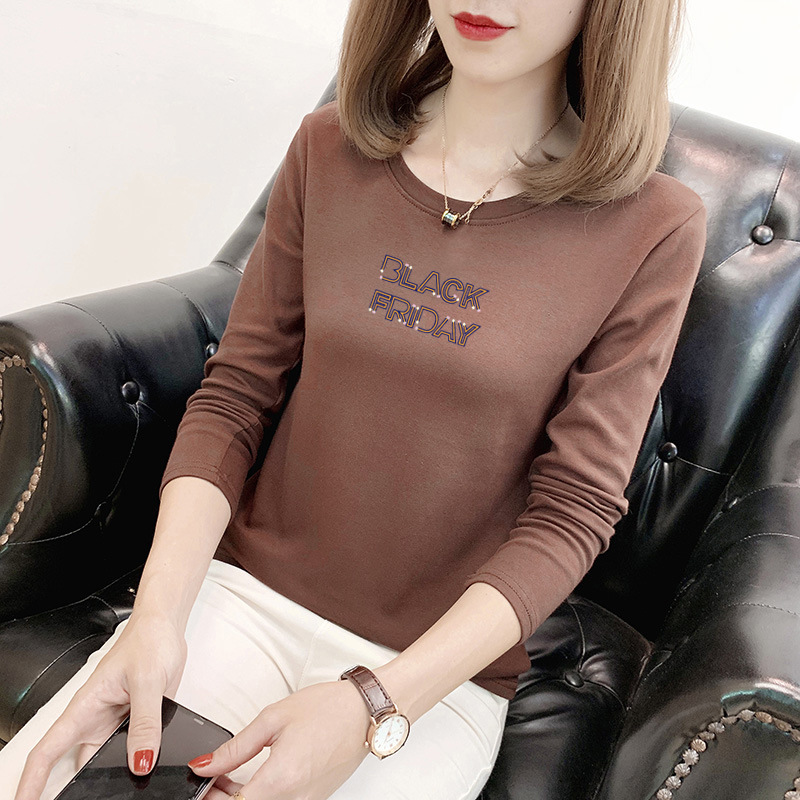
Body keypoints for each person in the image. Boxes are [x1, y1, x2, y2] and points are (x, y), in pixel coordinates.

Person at [4, 0, 707, 798]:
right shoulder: (328, 148)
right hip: (240, 603)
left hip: (437, 678)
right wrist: (155, 621)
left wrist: (376, 700)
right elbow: (234, 398)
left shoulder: (653, 226)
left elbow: (574, 511)